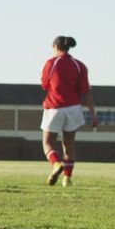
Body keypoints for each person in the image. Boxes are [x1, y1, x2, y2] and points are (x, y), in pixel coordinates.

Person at [40, 36, 98, 187]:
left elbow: (45, 85)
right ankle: (67, 179)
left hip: (54, 108)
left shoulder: (51, 63)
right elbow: (86, 91)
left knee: (47, 143)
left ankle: (56, 165)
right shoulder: (79, 65)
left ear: (55, 47)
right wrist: (93, 113)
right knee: (69, 144)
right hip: (73, 108)